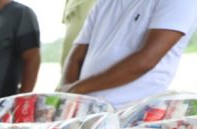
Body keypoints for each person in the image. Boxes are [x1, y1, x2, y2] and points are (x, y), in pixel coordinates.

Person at [61, 0, 197, 108]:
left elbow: (146, 61)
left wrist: (76, 90)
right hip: (84, 109)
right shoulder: (104, 2)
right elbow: (75, 58)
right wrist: (69, 100)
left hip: (132, 114)